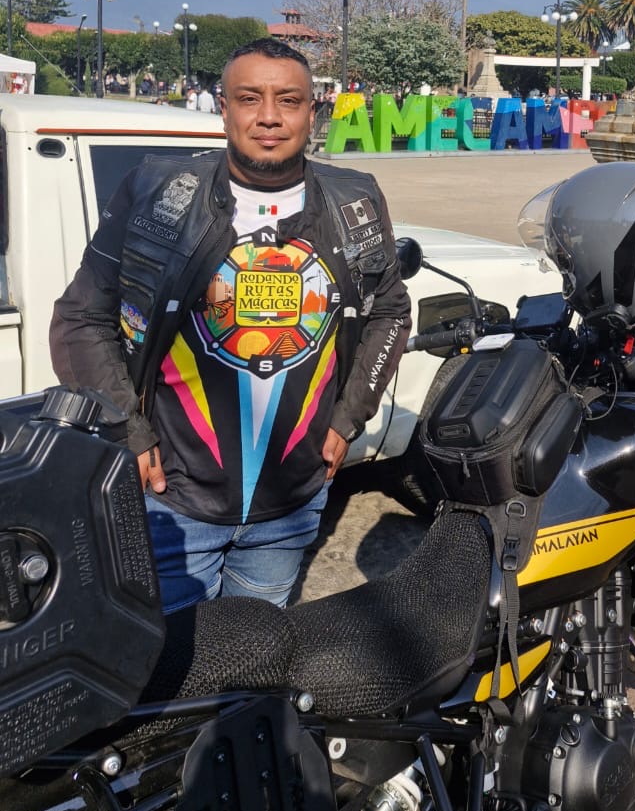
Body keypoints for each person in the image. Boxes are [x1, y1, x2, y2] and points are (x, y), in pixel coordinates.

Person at [49, 38, 412, 613]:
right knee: (175, 661)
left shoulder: (355, 199)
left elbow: (390, 310)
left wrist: (349, 418)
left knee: (254, 655)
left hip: (291, 505)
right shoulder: (155, 190)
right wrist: (124, 430)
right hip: (174, 501)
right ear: (223, 108)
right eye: (249, 98)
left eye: (288, 100)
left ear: (311, 112)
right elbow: (81, 316)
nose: (269, 116)